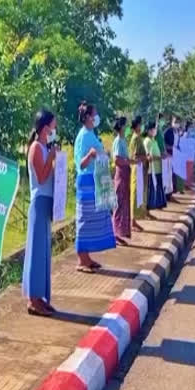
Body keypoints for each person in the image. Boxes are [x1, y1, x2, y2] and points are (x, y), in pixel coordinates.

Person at [22, 110, 57, 316]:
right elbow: (42, 178)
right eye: (53, 127)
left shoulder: (45, 147)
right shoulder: (36, 148)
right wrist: (52, 157)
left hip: (47, 202)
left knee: (43, 251)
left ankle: (41, 297)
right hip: (38, 202)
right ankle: (33, 299)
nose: (55, 130)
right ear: (45, 129)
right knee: (36, 251)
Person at [73, 101, 116, 273]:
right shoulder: (83, 136)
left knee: (95, 219)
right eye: (95, 113)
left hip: (96, 181)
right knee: (85, 220)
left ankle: (87, 257)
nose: (97, 116)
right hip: (87, 182)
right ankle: (81, 259)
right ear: (88, 117)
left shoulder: (92, 133)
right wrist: (91, 155)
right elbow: (80, 164)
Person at [111, 117, 131, 245]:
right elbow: (117, 160)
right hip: (121, 173)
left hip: (126, 173)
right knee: (118, 202)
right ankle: (115, 233)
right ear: (122, 127)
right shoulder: (118, 141)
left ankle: (122, 231)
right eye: (125, 125)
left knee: (124, 202)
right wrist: (127, 162)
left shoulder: (124, 140)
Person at [129, 116, 147, 232]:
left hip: (140, 167)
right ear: (137, 126)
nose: (141, 126)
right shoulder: (135, 138)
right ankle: (132, 221)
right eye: (140, 125)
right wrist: (145, 157)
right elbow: (135, 156)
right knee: (135, 194)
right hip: (136, 167)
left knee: (139, 193)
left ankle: (135, 219)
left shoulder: (139, 137)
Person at [144, 121, 166, 211]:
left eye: (155, 129)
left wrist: (162, 156)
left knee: (159, 186)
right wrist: (159, 157)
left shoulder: (154, 141)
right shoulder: (147, 141)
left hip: (158, 168)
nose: (155, 131)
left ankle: (159, 204)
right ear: (149, 130)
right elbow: (148, 156)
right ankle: (151, 206)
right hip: (151, 170)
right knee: (152, 188)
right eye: (153, 129)